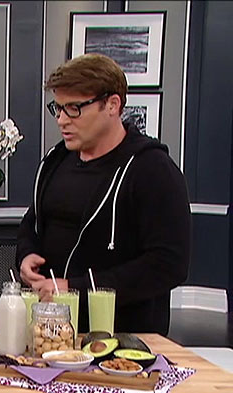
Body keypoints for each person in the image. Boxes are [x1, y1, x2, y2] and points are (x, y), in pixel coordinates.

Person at [17, 53, 191, 336]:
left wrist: (77, 289)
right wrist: (26, 255)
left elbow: (168, 264)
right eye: (58, 109)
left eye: (74, 109)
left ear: (112, 105)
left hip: (123, 337)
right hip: (49, 335)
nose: (62, 120)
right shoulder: (54, 162)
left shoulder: (152, 170)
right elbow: (31, 225)